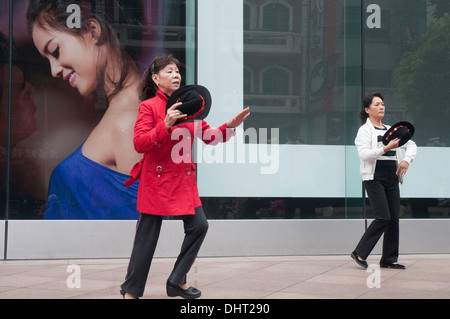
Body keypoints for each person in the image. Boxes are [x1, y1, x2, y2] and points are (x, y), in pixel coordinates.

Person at [120, 54, 250, 299]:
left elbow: (211, 137)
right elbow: (139, 143)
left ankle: (176, 281)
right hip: (156, 180)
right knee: (146, 239)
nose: (176, 74)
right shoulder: (149, 107)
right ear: (156, 78)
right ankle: (131, 291)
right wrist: (165, 124)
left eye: (177, 70)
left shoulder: (190, 106)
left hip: (182, 180)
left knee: (199, 226)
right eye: (169, 71)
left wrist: (230, 126)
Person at [27, 0, 143, 219]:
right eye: (47, 60)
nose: (54, 71)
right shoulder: (124, 112)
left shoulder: (129, 120)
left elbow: (144, 229)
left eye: (55, 51)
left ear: (92, 31)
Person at [351, 92, 417, 269]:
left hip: (392, 176)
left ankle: (389, 259)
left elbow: (411, 144)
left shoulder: (390, 129)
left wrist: (406, 160)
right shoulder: (364, 131)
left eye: (383, 104)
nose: (381, 107)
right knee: (383, 217)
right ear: (367, 109)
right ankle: (359, 253)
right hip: (374, 177)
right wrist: (385, 148)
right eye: (377, 104)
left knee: (394, 218)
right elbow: (364, 155)